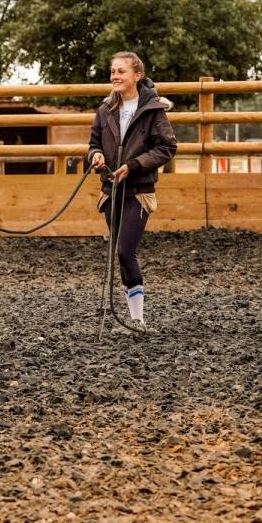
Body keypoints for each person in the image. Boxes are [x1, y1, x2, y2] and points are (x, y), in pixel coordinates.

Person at [87, 52, 177, 330]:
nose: (115, 76)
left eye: (121, 71)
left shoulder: (153, 110)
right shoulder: (105, 110)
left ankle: (137, 319)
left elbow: (167, 148)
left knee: (126, 250)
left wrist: (134, 165)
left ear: (137, 75)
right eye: (112, 71)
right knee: (120, 252)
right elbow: (93, 144)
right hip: (110, 190)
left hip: (138, 190)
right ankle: (133, 317)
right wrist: (96, 156)